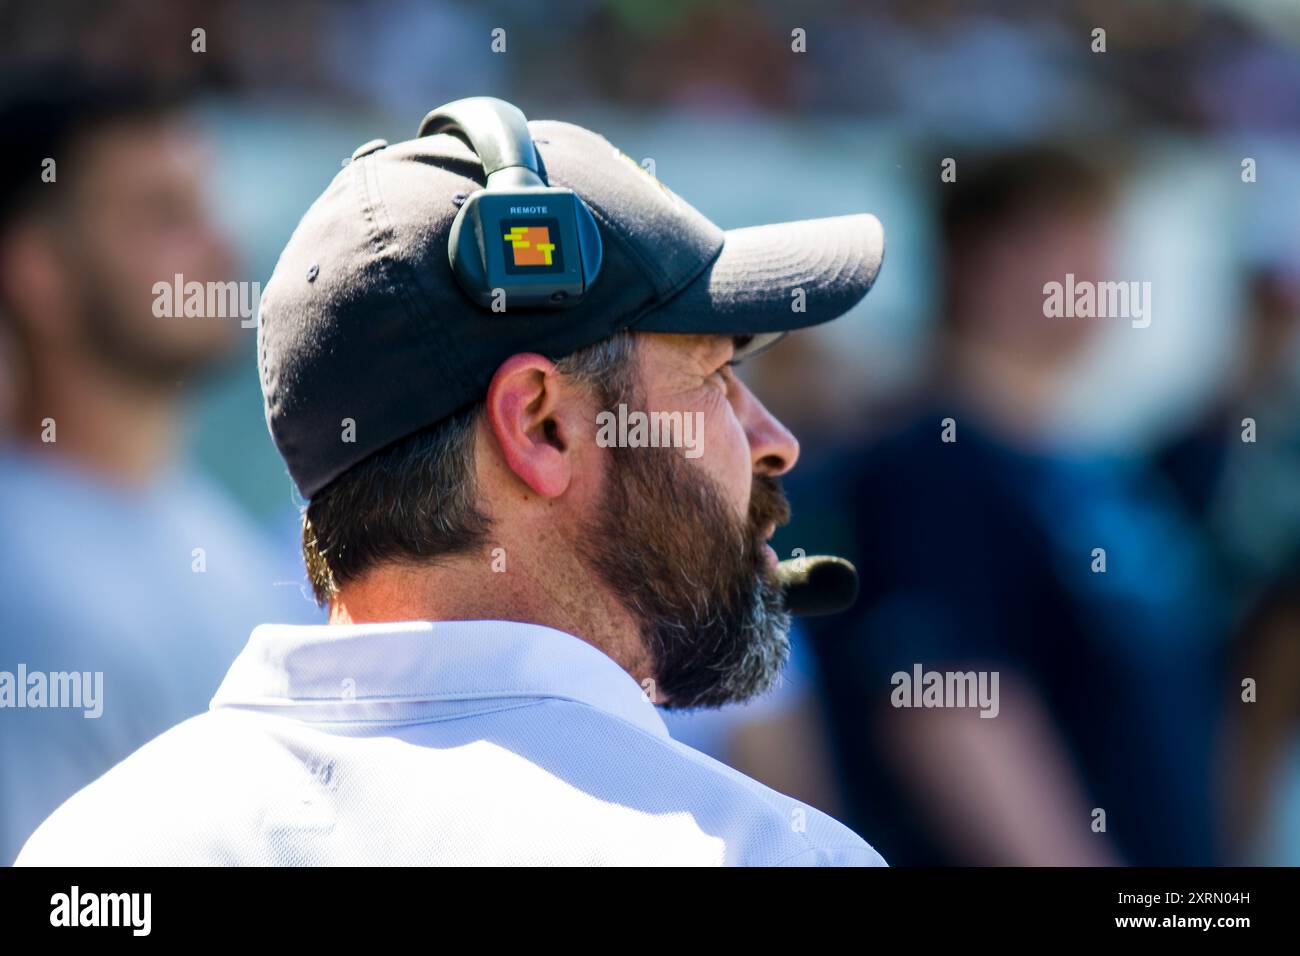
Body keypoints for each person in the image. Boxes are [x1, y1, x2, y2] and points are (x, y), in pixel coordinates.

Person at [17, 99, 888, 865]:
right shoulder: (764, 853)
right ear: (540, 425)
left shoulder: (96, 846)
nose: (775, 442)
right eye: (714, 378)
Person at [801, 144, 1225, 865]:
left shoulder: (1093, 464)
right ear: (983, 261)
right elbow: (950, 708)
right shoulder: (932, 465)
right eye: (1075, 244)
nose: (1105, 276)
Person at [0, 68, 319, 865]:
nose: (217, 249)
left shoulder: (217, 538)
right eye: (161, 215)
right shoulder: (24, 587)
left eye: (205, 206)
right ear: (37, 268)